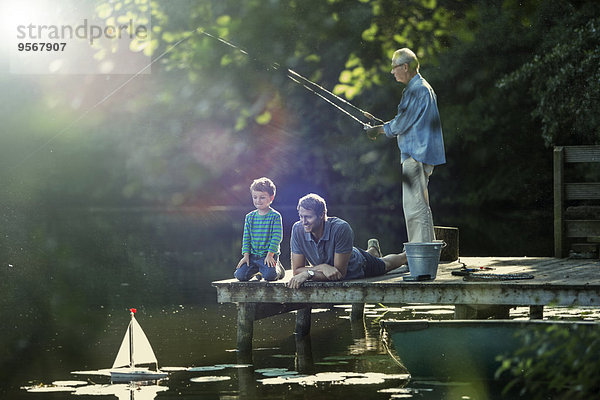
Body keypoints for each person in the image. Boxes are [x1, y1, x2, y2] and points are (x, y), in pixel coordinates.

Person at [364, 48, 446, 243]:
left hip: (416, 155)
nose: (392, 72)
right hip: (419, 154)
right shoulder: (421, 88)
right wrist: (383, 127)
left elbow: (401, 123)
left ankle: (421, 256)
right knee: (419, 205)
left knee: (415, 207)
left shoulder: (417, 89)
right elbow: (405, 121)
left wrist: (377, 130)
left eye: (394, 67)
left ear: (405, 66)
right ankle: (425, 253)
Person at [286, 193, 407, 289]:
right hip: (334, 261)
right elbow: (297, 270)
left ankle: (405, 256)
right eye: (301, 216)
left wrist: (309, 273)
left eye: (308, 217)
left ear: (322, 215)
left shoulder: (341, 228)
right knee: (373, 257)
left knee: (385, 265)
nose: (303, 221)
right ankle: (372, 251)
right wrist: (323, 267)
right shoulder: (297, 229)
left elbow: (339, 274)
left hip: (358, 264)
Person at [235, 177, 285, 281]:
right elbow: (246, 238)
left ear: (271, 198)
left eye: (262, 197)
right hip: (253, 257)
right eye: (255, 197)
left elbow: (277, 237)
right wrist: (246, 255)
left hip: (268, 256)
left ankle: (278, 268)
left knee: (270, 276)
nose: (258, 200)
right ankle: (259, 271)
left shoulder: (275, 216)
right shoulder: (249, 217)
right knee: (240, 275)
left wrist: (270, 255)